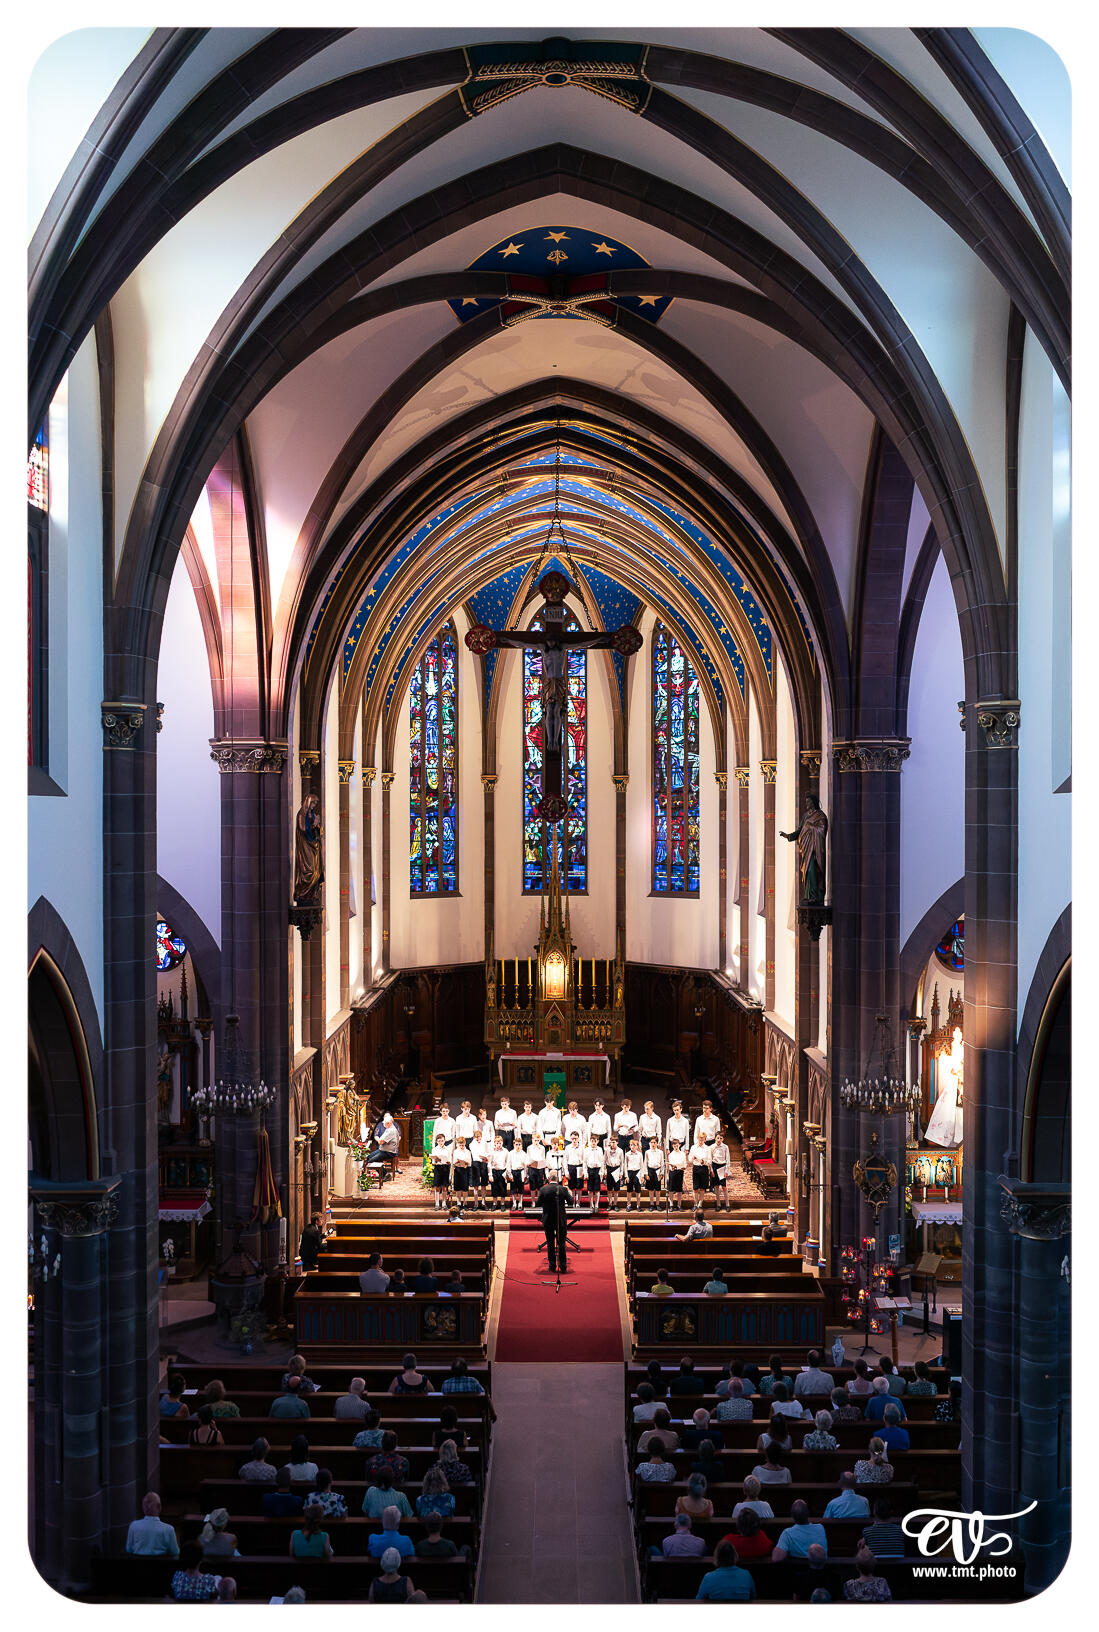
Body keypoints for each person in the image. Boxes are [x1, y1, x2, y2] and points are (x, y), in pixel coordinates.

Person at [537, 1171, 572, 1272]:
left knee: (550, 1243)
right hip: (560, 1219)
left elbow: (537, 1204)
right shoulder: (563, 1189)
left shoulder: (543, 1189)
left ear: (548, 1179)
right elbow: (571, 1202)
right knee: (561, 1243)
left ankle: (552, 1266)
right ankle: (563, 1266)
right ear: (557, 1179)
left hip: (548, 1220)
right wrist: (568, 1191)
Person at [687, 1131, 713, 1202]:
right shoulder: (693, 1147)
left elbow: (710, 1160)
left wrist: (704, 1162)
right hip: (696, 1168)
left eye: (702, 1139)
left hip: (704, 1168)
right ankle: (695, 1203)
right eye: (700, 1139)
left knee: (702, 1188)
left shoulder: (707, 1148)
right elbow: (689, 1159)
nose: (701, 1141)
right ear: (698, 1138)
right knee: (695, 1188)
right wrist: (692, 1158)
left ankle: (700, 1204)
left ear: (705, 1140)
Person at [430, 1128, 452, 1209]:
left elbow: (449, 1159)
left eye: (442, 1141)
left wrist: (447, 1161)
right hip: (438, 1168)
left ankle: (444, 1203)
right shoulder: (434, 1149)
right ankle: (437, 1203)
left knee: (444, 1187)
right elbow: (433, 1161)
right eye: (439, 1141)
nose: (440, 1142)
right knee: (437, 1186)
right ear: (437, 1141)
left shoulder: (447, 1149)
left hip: (445, 1168)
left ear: (444, 1141)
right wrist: (436, 1160)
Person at [583, 1133, 605, 1210]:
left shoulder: (600, 1149)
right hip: (590, 1170)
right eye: (592, 1141)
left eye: (595, 1141)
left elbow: (602, 1161)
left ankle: (596, 1205)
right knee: (590, 1189)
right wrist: (585, 1173)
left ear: (597, 1141)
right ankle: (591, 1204)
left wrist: (602, 1172)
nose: (593, 1143)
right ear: (590, 1141)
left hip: (597, 1170)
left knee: (597, 1189)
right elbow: (584, 1162)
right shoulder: (586, 1150)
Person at [710, 1133, 732, 1210]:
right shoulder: (712, 1147)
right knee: (716, 1186)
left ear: (723, 1139)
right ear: (715, 1138)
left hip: (722, 1167)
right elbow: (710, 1159)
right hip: (715, 1166)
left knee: (724, 1187)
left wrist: (726, 1171)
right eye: (718, 1138)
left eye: (721, 1138)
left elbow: (728, 1159)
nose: (719, 1140)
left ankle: (727, 1204)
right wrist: (711, 1170)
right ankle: (718, 1204)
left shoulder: (725, 1147)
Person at [488, 1135, 510, 1210]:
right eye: (497, 1143)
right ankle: (494, 1203)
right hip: (494, 1171)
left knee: (503, 1187)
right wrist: (490, 1175)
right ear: (494, 1143)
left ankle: (502, 1204)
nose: (499, 1145)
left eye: (500, 1143)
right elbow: (489, 1163)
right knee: (494, 1187)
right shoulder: (492, 1152)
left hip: (502, 1171)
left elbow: (508, 1162)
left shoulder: (506, 1151)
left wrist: (507, 1172)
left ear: (502, 1142)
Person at [603, 1135, 624, 1209]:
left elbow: (622, 1163)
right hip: (609, 1169)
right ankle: (610, 1203)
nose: (612, 1144)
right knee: (609, 1189)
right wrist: (604, 1170)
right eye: (611, 1142)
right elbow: (604, 1161)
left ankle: (615, 1204)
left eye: (614, 1142)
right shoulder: (607, 1150)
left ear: (617, 1142)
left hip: (616, 1169)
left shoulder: (620, 1151)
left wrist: (621, 1173)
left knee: (616, 1189)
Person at [643, 1138, 665, 1208]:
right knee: (651, 1189)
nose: (653, 1144)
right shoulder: (647, 1152)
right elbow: (645, 1163)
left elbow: (662, 1163)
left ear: (657, 1143)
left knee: (658, 1189)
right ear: (649, 1143)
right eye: (651, 1142)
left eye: (654, 1142)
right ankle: (651, 1204)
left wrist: (662, 1172)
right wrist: (646, 1173)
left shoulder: (660, 1152)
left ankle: (657, 1204)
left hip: (658, 1171)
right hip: (650, 1171)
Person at [451, 1135, 473, 1199]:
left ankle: (465, 1202)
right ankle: (458, 1202)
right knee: (458, 1188)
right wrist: (457, 1162)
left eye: (462, 1145)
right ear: (458, 1144)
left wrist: (465, 1162)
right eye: (460, 1145)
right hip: (457, 1170)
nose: (461, 1147)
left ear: (465, 1143)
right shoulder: (455, 1151)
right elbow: (453, 1162)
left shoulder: (467, 1152)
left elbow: (470, 1163)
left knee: (465, 1188)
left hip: (465, 1170)